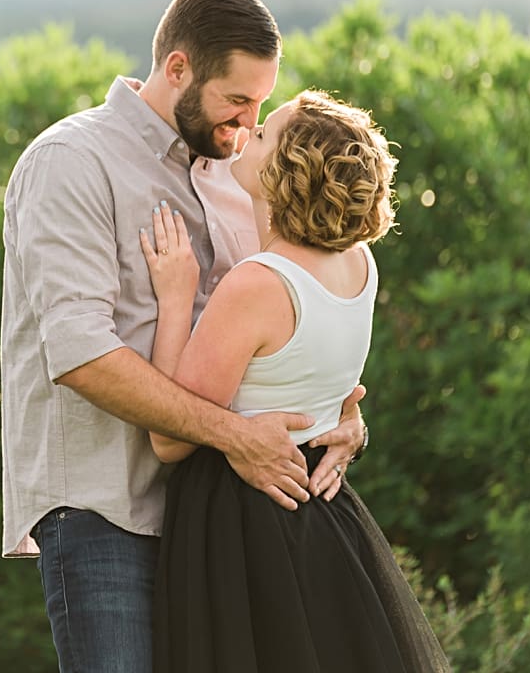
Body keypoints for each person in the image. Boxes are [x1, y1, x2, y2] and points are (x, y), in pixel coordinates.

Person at [0, 0, 368, 673]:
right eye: (236, 101)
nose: (245, 124)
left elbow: (288, 318)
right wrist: (235, 436)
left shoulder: (246, 172)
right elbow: (80, 355)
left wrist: (341, 416)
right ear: (177, 69)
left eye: (260, 106)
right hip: (108, 518)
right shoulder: (73, 163)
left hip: (226, 524)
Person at [141, 90, 449, 672]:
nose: (249, 129)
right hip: (323, 515)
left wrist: (176, 297)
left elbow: (169, 438)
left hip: (241, 525)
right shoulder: (360, 264)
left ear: (285, 172)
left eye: (264, 135)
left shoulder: (255, 285)